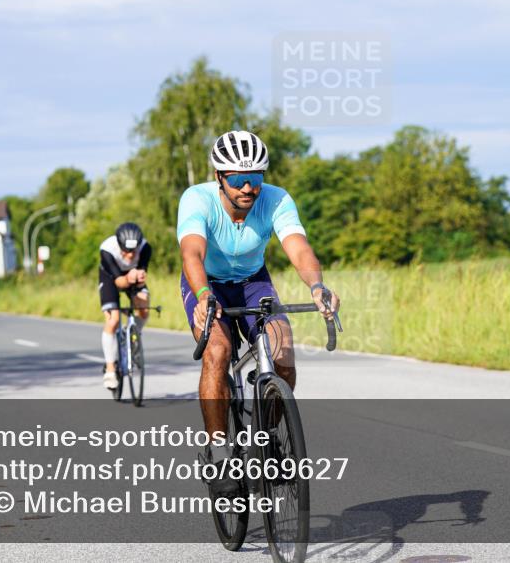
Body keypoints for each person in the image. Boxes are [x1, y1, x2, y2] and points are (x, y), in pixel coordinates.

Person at [177, 130, 340, 493]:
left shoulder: (276, 200)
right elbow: (192, 253)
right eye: (237, 179)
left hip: (253, 280)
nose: (248, 188)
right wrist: (203, 295)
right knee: (217, 352)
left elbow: (299, 249)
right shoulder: (197, 199)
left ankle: (269, 440)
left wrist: (317, 286)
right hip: (206, 283)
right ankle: (218, 451)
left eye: (256, 178)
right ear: (219, 177)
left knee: (282, 351)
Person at [99, 222, 152, 390]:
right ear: (119, 245)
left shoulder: (145, 248)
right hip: (111, 277)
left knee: (143, 309)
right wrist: (129, 278)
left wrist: (139, 278)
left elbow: (142, 273)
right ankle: (110, 369)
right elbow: (120, 282)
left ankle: (131, 334)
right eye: (126, 251)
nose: (130, 256)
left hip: (133, 275)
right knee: (113, 320)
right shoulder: (107, 249)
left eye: (133, 251)